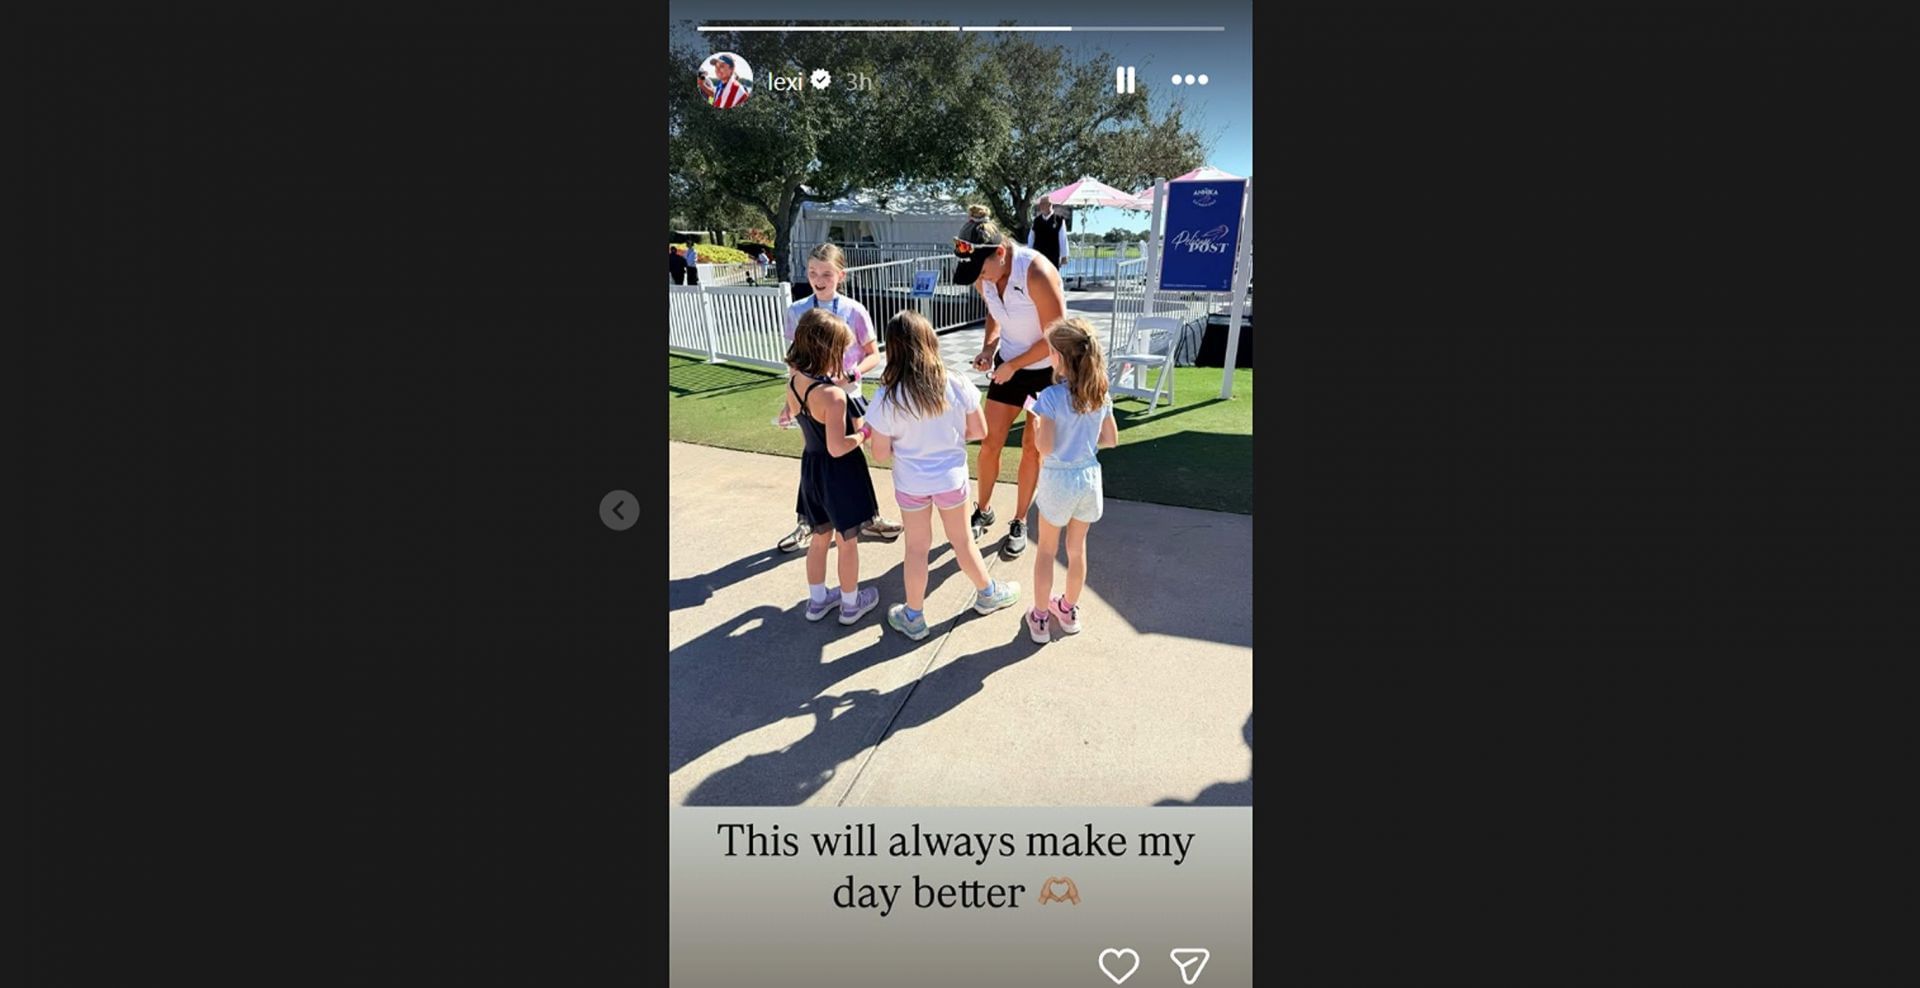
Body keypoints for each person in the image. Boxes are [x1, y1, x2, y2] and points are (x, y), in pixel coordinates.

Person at [862, 309, 1023, 640]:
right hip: (951, 480)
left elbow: (879, 453)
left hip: (911, 484)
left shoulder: (886, 396)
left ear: (891, 348)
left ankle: (914, 616)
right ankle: (988, 593)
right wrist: (944, 441)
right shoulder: (956, 382)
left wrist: (906, 447)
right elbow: (978, 430)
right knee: (962, 541)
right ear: (929, 341)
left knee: (917, 549)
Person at [951, 206, 1065, 561]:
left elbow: (1057, 337)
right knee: (990, 442)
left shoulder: (1037, 271)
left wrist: (1013, 365)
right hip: (1009, 366)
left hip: (1045, 371)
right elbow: (994, 313)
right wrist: (989, 347)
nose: (979, 279)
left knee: (1032, 447)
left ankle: (1019, 521)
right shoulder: (985, 275)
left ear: (1000, 253)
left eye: (982, 270)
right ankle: (983, 510)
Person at [774, 243, 903, 552]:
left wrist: (853, 374)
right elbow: (795, 361)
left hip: (848, 396)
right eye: (813, 272)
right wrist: (789, 402)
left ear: (840, 275)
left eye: (827, 273)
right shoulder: (797, 310)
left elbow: (873, 354)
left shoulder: (854, 310)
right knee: (816, 458)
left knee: (853, 460)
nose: (819, 279)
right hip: (811, 399)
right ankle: (809, 521)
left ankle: (868, 517)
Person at [1022, 318, 1117, 644]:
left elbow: (1045, 447)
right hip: (1089, 479)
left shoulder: (1048, 398)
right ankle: (1068, 608)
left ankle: (1039, 617)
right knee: (1077, 550)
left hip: (1058, 480)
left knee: (1046, 551)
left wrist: (1036, 427)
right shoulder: (1100, 394)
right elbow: (1111, 439)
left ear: (1060, 357)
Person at [785, 308, 882, 625]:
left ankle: (817, 601)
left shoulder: (795, 381)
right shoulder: (834, 396)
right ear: (826, 350)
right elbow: (837, 447)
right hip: (839, 473)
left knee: (819, 537)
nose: (843, 356)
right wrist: (864, 432)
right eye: (840, 350)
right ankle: (851, 605)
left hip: (811, 470)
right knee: (847, 541)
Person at [1027, 196, 1070, 272]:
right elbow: (1031, 238)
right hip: (1038, 256)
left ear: (1050, 205)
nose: (1041, 206)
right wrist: (1029, 254)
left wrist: (1064, 256)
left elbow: (1063, 238)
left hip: (1053, 256)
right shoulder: (1036, 221)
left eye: (1043, 204)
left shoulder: (1059, 220)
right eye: (1040, 204)